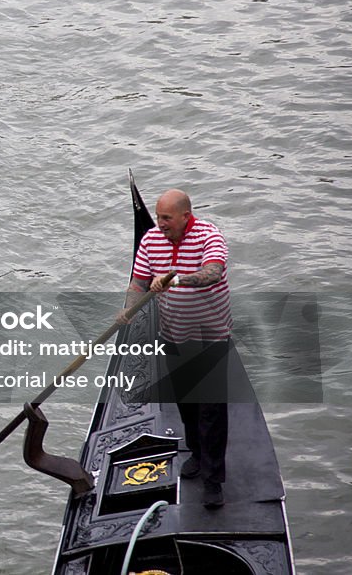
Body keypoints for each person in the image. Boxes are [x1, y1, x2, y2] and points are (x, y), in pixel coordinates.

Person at [119, 188, 232, 509]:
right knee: (187, 403)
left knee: (211, 408)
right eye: (157, 216)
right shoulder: (151, 239)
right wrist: (129, 308)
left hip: (210, 335)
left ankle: (213, 480)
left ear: (185, 216)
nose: (160, 223)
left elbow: (213, 272)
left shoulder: (209, 236)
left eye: (166, 218)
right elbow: (138, 282)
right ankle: (196, 453)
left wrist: (175, 280)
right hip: (173, 335)